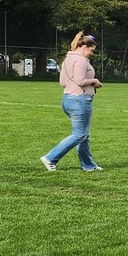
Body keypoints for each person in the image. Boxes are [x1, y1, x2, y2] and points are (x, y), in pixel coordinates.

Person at [41, 32, 103, 172]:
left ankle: (88, 166)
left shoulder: (67, 60)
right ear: (84, 46)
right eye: (91, 50)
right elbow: (80, 81)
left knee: (83, 134)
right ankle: (50, 158)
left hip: (68, 99)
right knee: (80, 135)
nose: (91, 53)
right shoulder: (81, 61)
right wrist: (94, 81)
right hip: (79, 100)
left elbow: (63, 82)